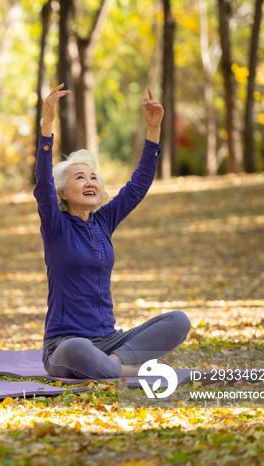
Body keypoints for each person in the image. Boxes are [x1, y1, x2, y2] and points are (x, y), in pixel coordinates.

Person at [34, 84, 190, 379]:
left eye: (93, 177)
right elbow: (42, 182)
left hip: (111, 342)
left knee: (178, 321)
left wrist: (153, 129)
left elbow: (138, 185)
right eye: (80, 177)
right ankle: (126, 370)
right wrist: (47, 122)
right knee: (76, 349)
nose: (90, 181)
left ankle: (117, 366)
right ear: (64, 192)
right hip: (64, 346)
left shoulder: (103, 222)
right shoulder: (55, 226)